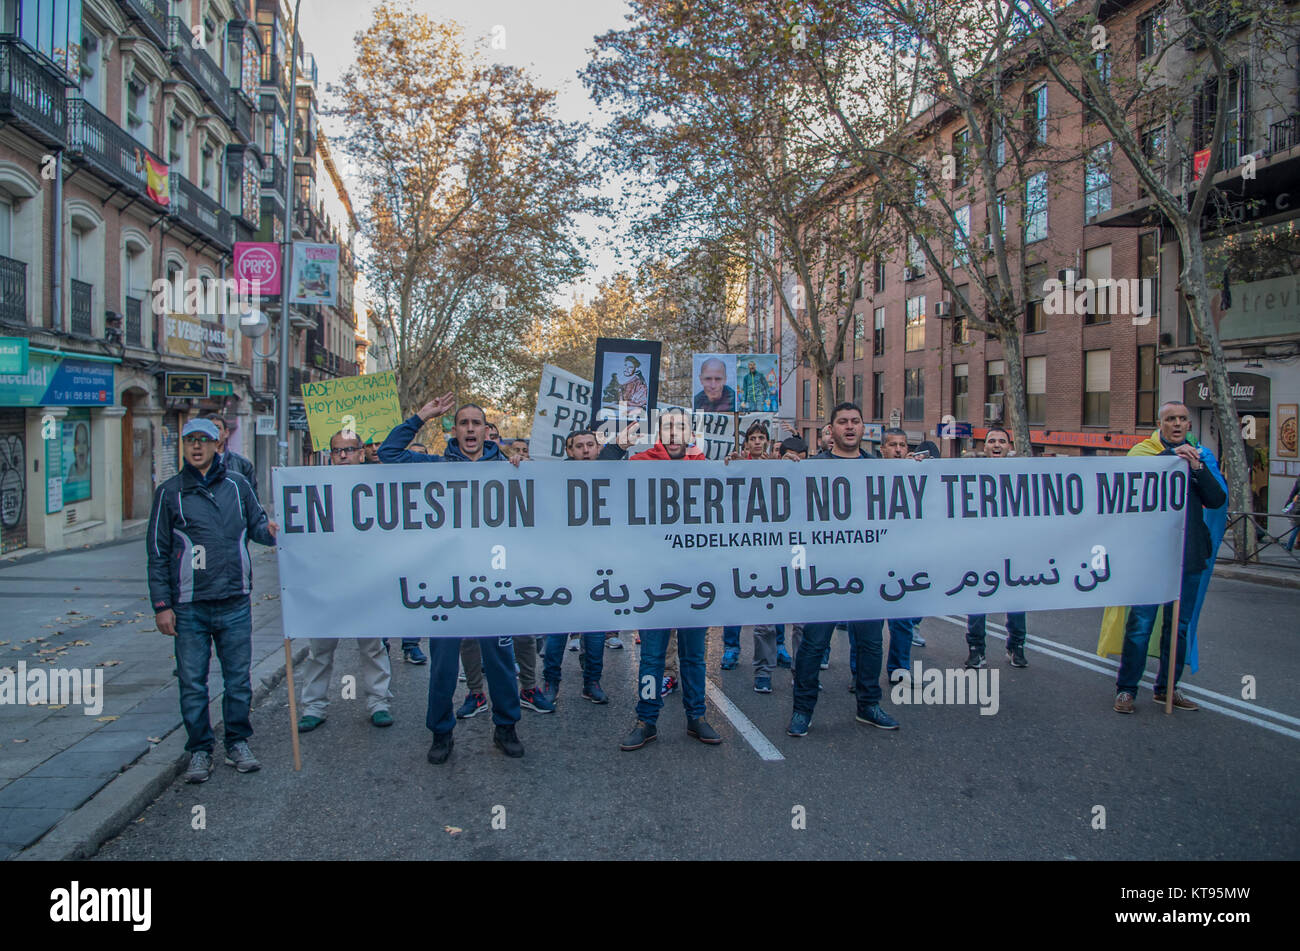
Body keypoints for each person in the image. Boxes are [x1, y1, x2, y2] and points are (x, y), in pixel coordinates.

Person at [378, 395, 531, 761]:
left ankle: (506, 727)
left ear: (486, 431)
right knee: (444, 664)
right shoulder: (436, 465)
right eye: (463, 423)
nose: (470, 429)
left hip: (493, 581)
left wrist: (524, 466)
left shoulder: (508, 467)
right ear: (455, 430)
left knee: (499, 660)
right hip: (446, 584)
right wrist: (421, 416)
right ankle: (441, 732)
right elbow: (388, 454)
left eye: (476, 423)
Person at [146, 418, 278, 783]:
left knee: (238, 680)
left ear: (217, 444)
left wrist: (271, 531)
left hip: (234, 600)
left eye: (203, 440)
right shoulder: (169, 493)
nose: (197, 446)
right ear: (183, 446)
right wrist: (162, 606)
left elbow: (257, 526)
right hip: (189, 605)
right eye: (190, 440)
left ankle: (237, 742)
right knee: (192, 682)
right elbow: (157, 553)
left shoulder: (237, 485)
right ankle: (200, 750)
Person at [788, 402, 898, 737]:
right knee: (813, 644)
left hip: (868, 572)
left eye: (855, 421)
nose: (850, 427)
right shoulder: (812, 467)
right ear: (831, 430)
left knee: (870, 644)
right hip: (825, 574)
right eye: (843, 422)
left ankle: (869, 705)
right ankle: (802, 710)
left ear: (864, 428)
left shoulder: (879, 468)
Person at [618, 409, 723, 751]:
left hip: (695, 577)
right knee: (652, 658)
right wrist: (616, 448)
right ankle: (646, 720)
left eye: (681, 427)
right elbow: (596, 477)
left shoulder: (706, 466)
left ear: (690, 433)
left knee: (694, 657)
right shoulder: (640, 463)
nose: (675, 433)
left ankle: (697, 717)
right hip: (653, 580)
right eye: (668, 427)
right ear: (659, 433)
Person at [1113, 402, 1227, 714]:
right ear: (1160, 424)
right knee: (1141, 624)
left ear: (1189, 424)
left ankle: (1167, 689)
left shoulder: (1200, 456)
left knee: (1179, 626)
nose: (1177, 424)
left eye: (1182, 419)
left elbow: (1216, 499)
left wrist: (1197, 468)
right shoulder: (1145, 454)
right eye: (1170, 419)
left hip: (1188, 555)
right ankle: (1126, 690)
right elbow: (1131, 484)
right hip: (1151, 557)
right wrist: (1170, 457)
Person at [297, 429, 394, 732]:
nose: (343, 456)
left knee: (372, 647)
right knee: (320, 650)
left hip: (366, 581)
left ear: (361, 453)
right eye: (337, 450)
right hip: (327, 583)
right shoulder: (314, 488)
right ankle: (313, 707)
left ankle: (379, 702)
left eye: (349, 450)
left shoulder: (377, 487)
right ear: (330, 455)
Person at [542, 427, 611, 705]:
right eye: (579, 446)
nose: (585, 450)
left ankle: (592, 682)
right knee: (557, 630)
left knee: (595, 632)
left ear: (598, 448)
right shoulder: (555, 478)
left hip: (597, 567)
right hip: (563, 566)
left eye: (590, 445)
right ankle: (551, 683)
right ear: (569, 451)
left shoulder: (612, 474)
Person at [963, 426, 1029, 670]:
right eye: (992, 441)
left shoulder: (1021, 475)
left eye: (1002, 441)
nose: (997, 445)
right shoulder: (971, 473)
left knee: (1016, 600)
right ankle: (976, 649)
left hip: (1012, 548)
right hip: (980, 549)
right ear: (985, 446)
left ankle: (1016, 646)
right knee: (978, 599)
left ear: (1009, 447)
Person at [876, 427, 926, 684]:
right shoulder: (868, 474)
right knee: (867, 623)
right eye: (893, 445)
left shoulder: (916, 475)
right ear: (882, 449)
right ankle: (860, 673)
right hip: (874, 560)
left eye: (903, 445)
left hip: (903, 559)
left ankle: (899, 669)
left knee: (903, 621)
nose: (898, 450)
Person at [203, 413, 257, 497]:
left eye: (217, 428)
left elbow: (251, 499)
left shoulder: (242, 464)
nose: (213, 432)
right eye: (209, 428)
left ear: (226, 433)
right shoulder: (195, 464)